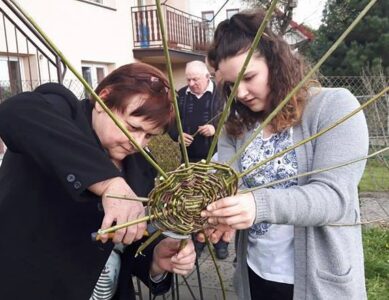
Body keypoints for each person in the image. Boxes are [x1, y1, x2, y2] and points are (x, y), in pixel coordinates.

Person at [201, 10, 369, 300]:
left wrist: (257, 205)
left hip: (319, 282)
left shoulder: (334, 107)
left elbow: (334, 198)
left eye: (249, 77)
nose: (240, 93)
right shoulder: (236, 125)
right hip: (256, 272)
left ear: (275, 61)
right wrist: (221, 211)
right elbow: (227, 182)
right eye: (230, 85)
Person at [0, 62, 195, 300]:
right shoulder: (62, 110)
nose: (138, 143)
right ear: (104, 97)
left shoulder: (142, 165)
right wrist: (109, 182)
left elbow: (127, 240)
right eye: (132, 127)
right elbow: (14, 112)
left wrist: (155, 259)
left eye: (149, 136)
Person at [169, 60, 230, 259]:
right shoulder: (180, 95)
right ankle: (199, 238)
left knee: (219, 200)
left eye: (195, 79)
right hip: (189, 160)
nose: (191, 83)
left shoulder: (223, 95)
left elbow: (236, 123)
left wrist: (216, 130)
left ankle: (221, 241)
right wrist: (177, 135)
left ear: (207, 77)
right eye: (188, 79)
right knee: (193, 202)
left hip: (217, 159)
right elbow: (168, 122)